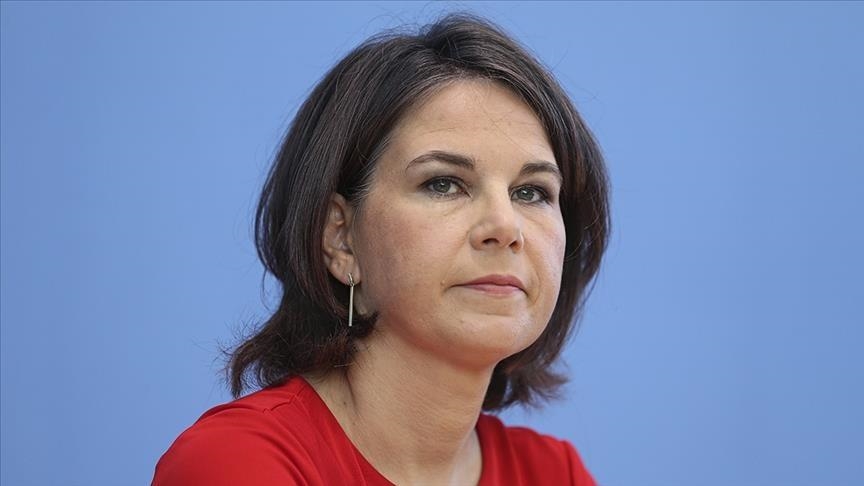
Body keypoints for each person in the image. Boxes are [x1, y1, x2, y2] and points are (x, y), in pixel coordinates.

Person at [153, 12, 609, 486]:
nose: (505, 227)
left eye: (531, 192)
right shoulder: (234, 463)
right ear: (340, 238)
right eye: (444, 183)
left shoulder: (554, 473)